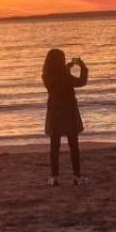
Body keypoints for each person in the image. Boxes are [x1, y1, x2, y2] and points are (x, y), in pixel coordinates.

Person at [42, 47, 88, 186]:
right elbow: (81, 82)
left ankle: (54, 177)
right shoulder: (65, 76)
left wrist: (66, 69)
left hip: (55, 113)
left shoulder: (46, 75)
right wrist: (83, 67)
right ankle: (77, 176)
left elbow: (56, 83)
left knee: (54, 147)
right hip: (69, 112)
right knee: (73, 146)